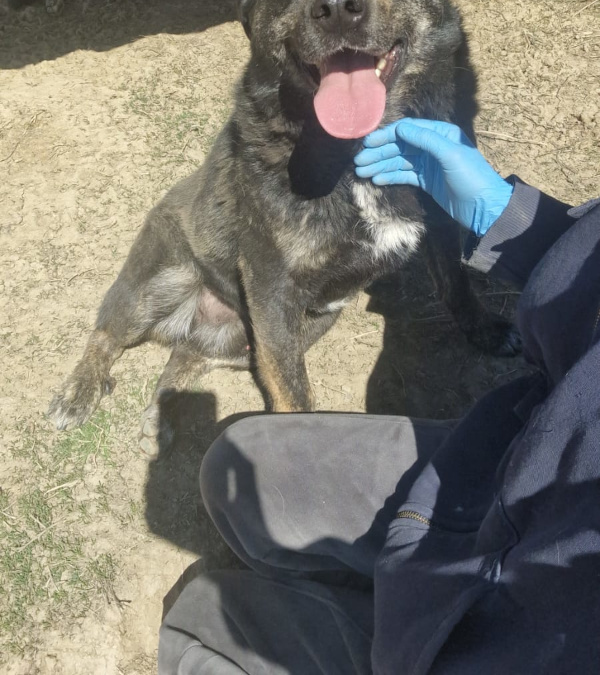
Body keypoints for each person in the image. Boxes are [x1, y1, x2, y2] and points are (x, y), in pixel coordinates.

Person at [158, 119, 600, 675]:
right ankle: (363, 584)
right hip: (508, 470)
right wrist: (522, 225)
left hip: (516, 643)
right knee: (235, 468)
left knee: (197, 623)